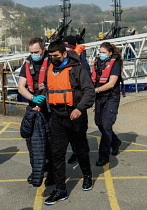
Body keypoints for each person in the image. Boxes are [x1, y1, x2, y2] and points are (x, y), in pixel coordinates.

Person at [40, 40, 95, 205]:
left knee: (80, 150)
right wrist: (39, 104)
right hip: (57, 116)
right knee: (57, 153)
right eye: (50, 56)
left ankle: (87, 175)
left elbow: (89, 91)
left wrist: (80, 108)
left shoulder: (77, 68)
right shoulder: (49, 69)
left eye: (56, 56)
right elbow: (46, 88)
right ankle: (60, 190)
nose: (53, 59)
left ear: (64, 54)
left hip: (75, 115)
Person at [18, 37, 54, 186]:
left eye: (37, 52)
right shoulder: (27, 63)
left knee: (50, 141)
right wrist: (33, 98)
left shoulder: (51, 62)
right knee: (32, 142)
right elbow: (21, 86)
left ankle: (52, 171)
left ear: (43, 50)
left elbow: (54, 85)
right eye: (31, 52)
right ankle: (37, 169)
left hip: (49, 107)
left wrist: (43, 100)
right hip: (33, 105)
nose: (34, 54)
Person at [91, 42, 122, 166]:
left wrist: (95, 90)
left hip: (111, 97)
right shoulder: (97, 63)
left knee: (106, 125)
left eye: (104, 52)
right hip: (99, 98)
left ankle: (104, 157)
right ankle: (115, 142)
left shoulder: (115, 64)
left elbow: (111, 84)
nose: (101, 54)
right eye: (100, 52)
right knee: (99, 123)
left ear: (110, 53)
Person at [62, 35, 91, 164]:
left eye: (69, 46)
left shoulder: (81, 62)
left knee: (80, 134)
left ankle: (83, 155)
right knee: (70, 134)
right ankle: (75, 152)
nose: (66, 49)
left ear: (74, 47)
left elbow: (87, 84)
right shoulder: (60, 61)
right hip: (64, 104)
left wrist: (81, 105)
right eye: (65, 46)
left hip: (78, 103)